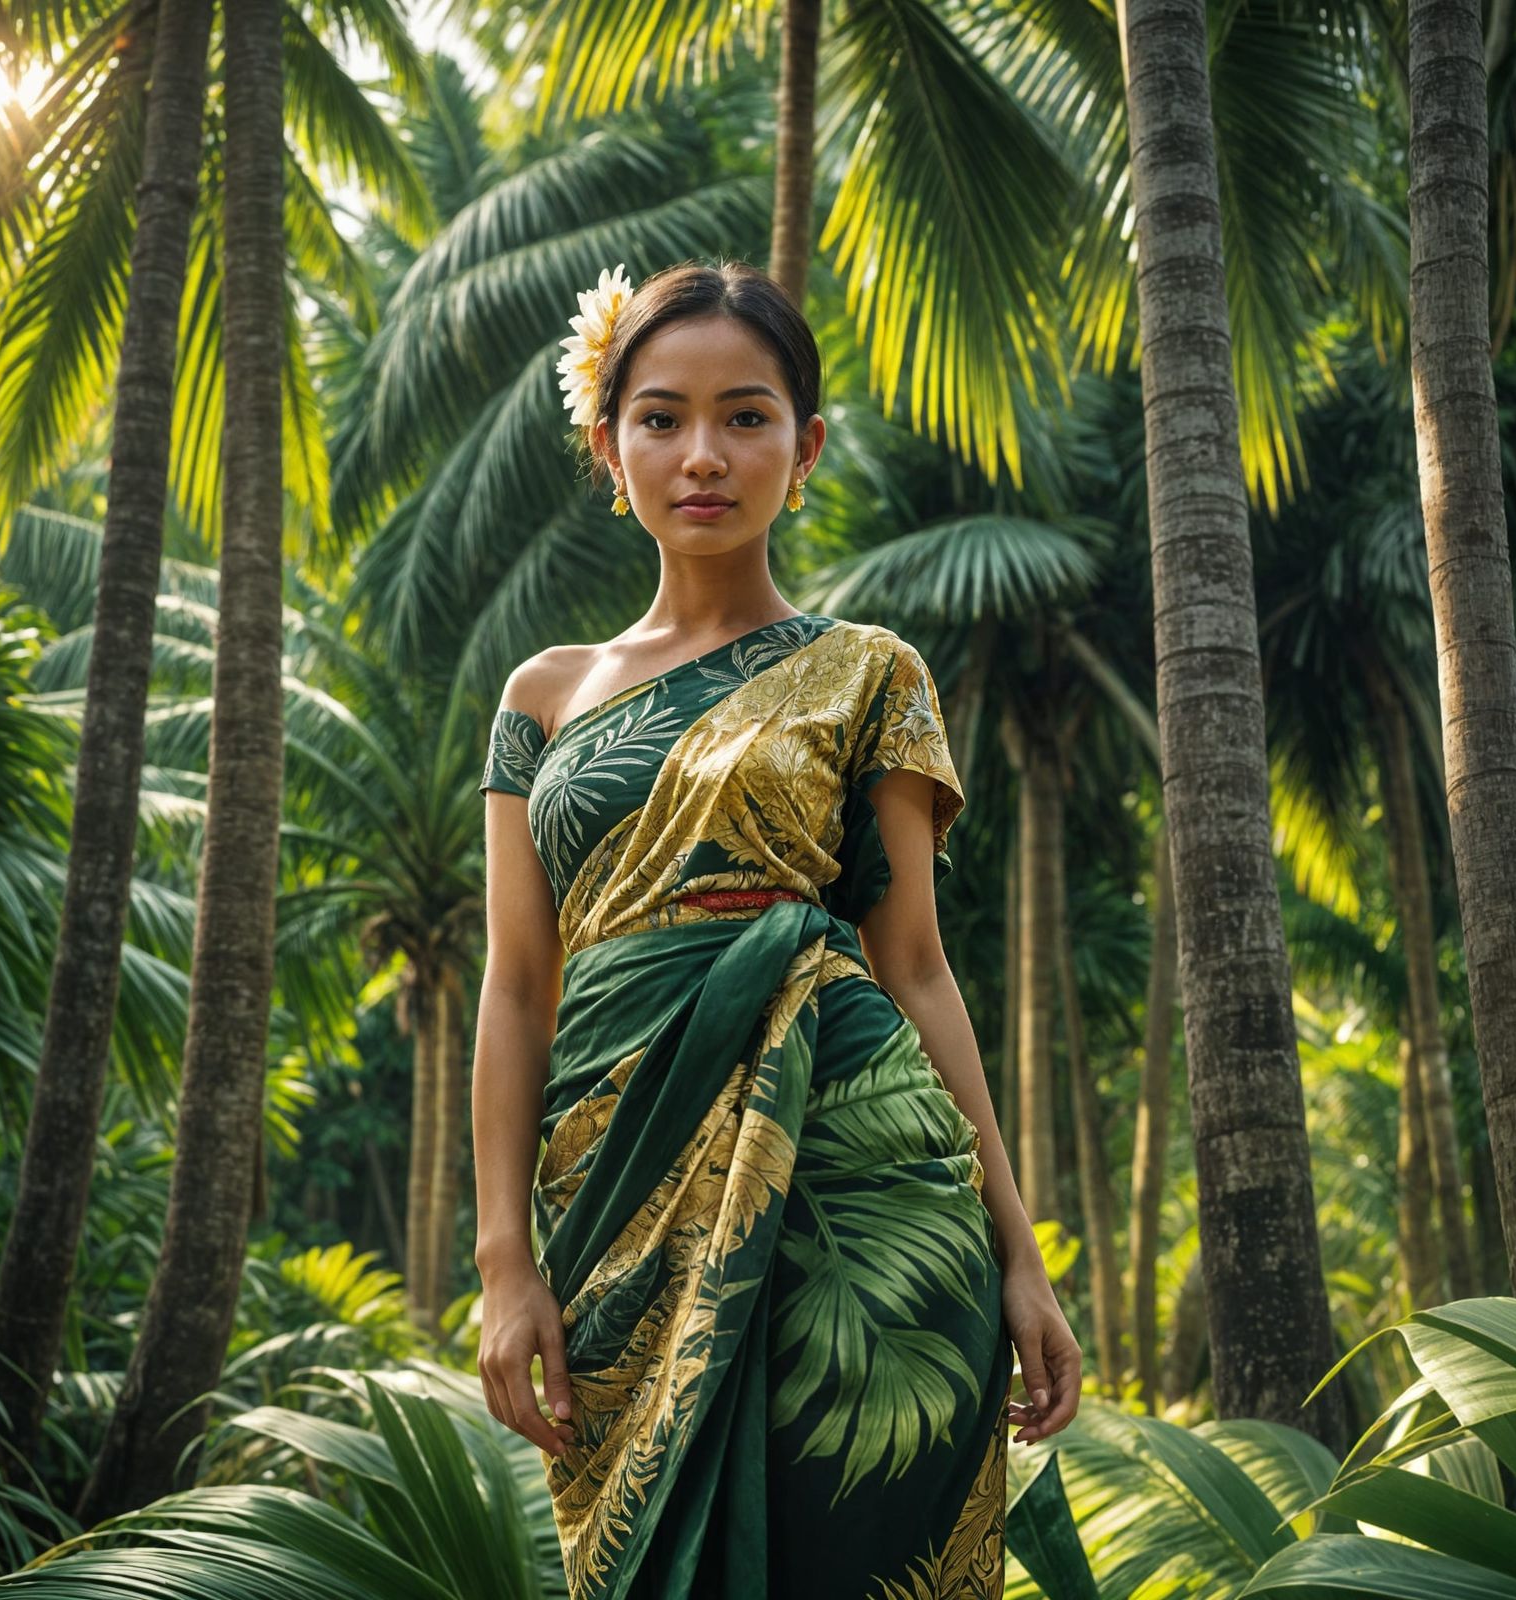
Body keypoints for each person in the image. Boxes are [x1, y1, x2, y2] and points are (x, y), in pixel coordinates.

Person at [472, 257, 1081, 1600]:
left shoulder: (869, 672)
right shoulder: (543, 697)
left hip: (859, 1183)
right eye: (662, 416)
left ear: (803, 450)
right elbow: (519, 988)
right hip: (614, 1191)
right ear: (607, 443)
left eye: (747, 417)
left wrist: (1020, 1252)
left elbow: (912, 964)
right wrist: (504, 1258)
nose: (704, 454)